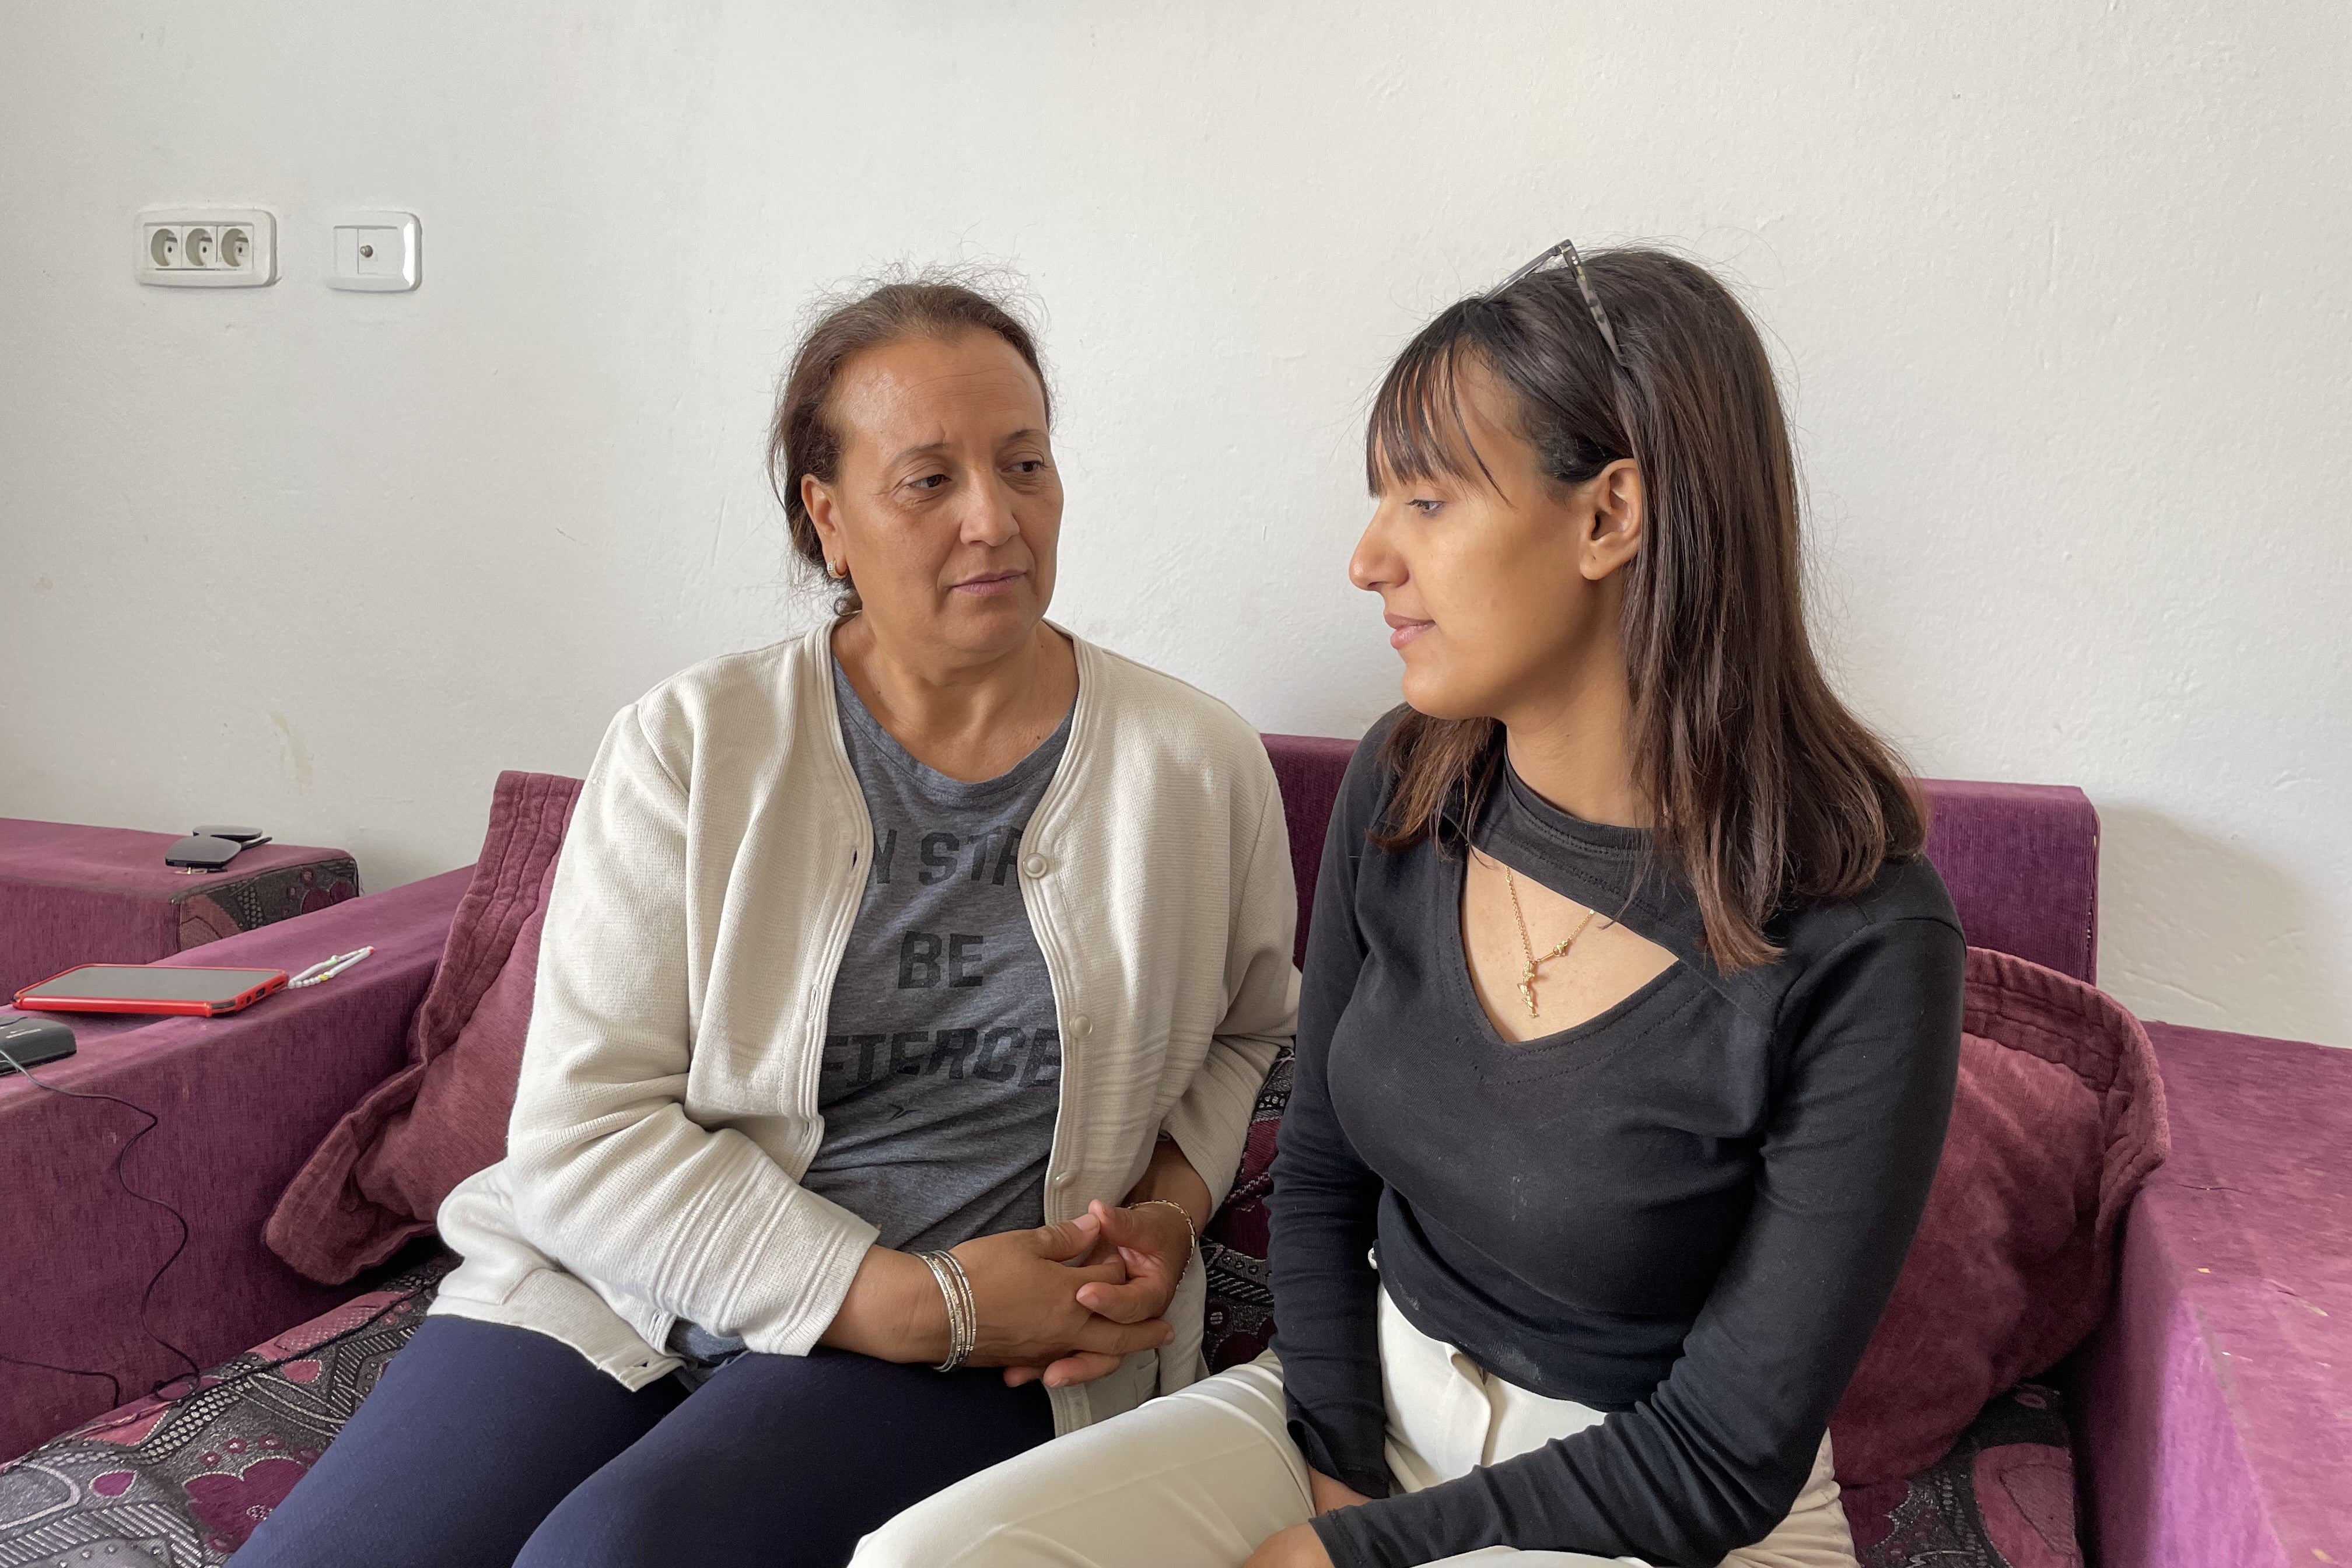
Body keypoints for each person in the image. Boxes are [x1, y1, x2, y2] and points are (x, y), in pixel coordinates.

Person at [850, 244, 1966, 1568]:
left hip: (1646, 1496)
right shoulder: (1407, 783)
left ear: (1612, 516)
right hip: (1366, 1403)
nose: (1369, 558)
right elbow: (1321, 1175)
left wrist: (1343, 1559)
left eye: (1427, 502)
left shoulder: (1866, 936)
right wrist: (1334, 1465)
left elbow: (1726, 1449)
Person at [240, 275, 1300, 1568]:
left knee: (618, 1554)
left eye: (1025, 462)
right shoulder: (692, 746)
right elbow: (583, 1131)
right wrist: (921, 1308)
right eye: (928, 480)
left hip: (1004, 1333)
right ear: (829, 517)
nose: (995, 517)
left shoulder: (1191, 764)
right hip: (627, 1288)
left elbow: (1251, 1031)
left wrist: (1172, 1214)